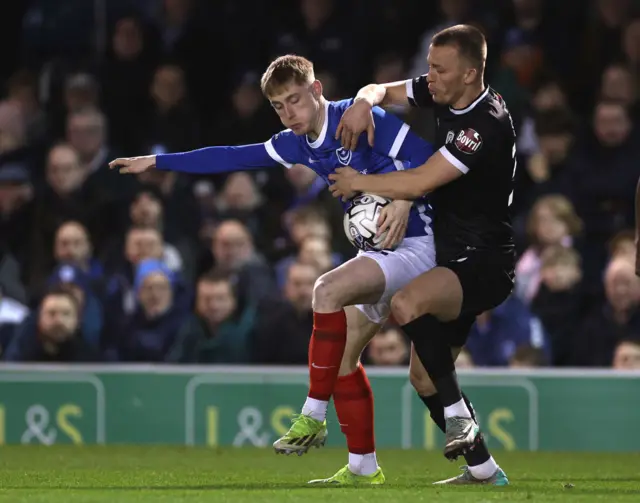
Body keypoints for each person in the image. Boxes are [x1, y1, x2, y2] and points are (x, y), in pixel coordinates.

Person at [110, 54, 438, 485]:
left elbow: (432, 160)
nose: (289, 113)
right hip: (381, 252)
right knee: (342, 357)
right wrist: (157, 163)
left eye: (296, 100)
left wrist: (404, 197)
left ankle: (313, 416)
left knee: (326, 290)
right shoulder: (296, 143)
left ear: (317, 91)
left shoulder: (360, 118)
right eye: (279, 106)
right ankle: (364, 468)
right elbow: (229, 157)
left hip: (421, 243)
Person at [331, 24, 515, 486]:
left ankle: (459, 417)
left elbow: (421, 181)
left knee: (405, 304)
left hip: (484, 260)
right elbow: (382, 89)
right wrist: (362, 102)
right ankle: (484, 471)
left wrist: (359, 183)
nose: (428, 76)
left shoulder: (482, 124)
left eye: (439, 69)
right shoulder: (444, 93)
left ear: (470, 74)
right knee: (425, 379)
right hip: (454, 257)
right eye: (428, 66)